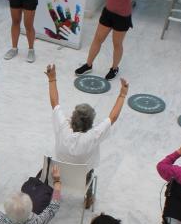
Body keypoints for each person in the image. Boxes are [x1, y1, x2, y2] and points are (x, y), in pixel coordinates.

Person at [48, 64, 127, 204]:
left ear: (72, 118)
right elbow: (112, 118)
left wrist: (52, 79)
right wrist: (122, 94)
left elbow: (54, 103)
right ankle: (88, 198)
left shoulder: (63, 126)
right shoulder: (94, 135)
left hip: (59, 173)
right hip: (81, 177)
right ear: (90, 123)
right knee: (89, 172)